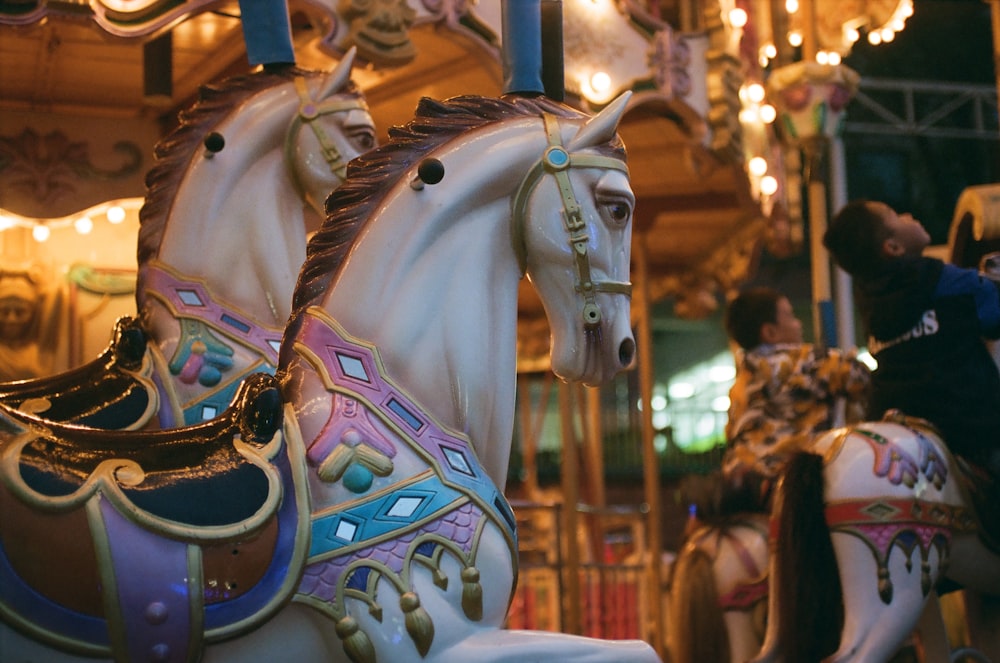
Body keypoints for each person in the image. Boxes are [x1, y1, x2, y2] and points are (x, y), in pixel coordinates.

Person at [823, 199, 1000, 475]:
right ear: (893, 247)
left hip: (895, 427)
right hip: (966, 427)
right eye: (896, 216)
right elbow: (994, 310)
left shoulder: (871, 301)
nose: (908, 214)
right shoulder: (941, 281)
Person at [722, 286, 871, 510]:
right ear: (770, 332)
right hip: (791, 486)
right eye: (790, 316)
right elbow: (862, 379)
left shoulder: (740, 385)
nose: (798, 323)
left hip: (740, 484)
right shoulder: (808, 361)